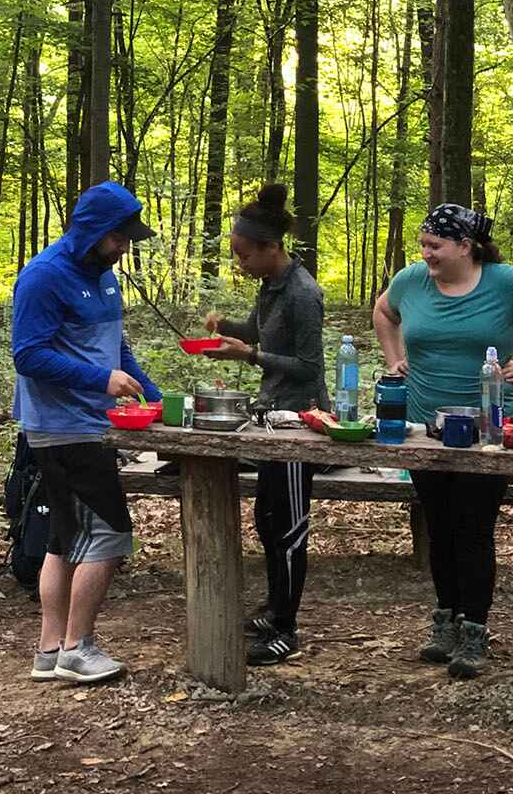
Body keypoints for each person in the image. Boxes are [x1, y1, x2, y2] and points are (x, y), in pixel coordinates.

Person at [373, 203, 513, 679]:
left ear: (466, 246)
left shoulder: (506, 282)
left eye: (435, 246)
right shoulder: (412, 280)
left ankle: (474, 631)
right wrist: (393, 356)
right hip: (426, 428)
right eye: (423, 245)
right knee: (438, 525)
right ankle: (445, 621)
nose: (426, 254)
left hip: (489, 429)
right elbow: (383, 311)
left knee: (474, 527)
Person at [11, 180, 162, 684]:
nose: (123, 248)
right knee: (112, 535)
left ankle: (49, 651)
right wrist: (100, 380)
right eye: (118, 238)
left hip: (95, 422)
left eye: (127, 239)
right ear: (93, 230)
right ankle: (78, 648)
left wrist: (150, 393)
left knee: (65, 538)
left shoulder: (102, 277)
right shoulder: (43, 276)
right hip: (62, 427)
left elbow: (116, 351)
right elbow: (28, 355)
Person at [202, 183, 330, 666]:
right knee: (268, 518)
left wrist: (251, 355)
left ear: (271, 247)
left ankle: (287, 628)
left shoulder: (302, 292)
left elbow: (308, 367)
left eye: (244, 255)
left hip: (299, 423)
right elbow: (257, 330)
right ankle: (275, 608)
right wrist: (228, 330)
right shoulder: (271, 286)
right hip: (270, 417)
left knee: (291, 528)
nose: (241, 264)